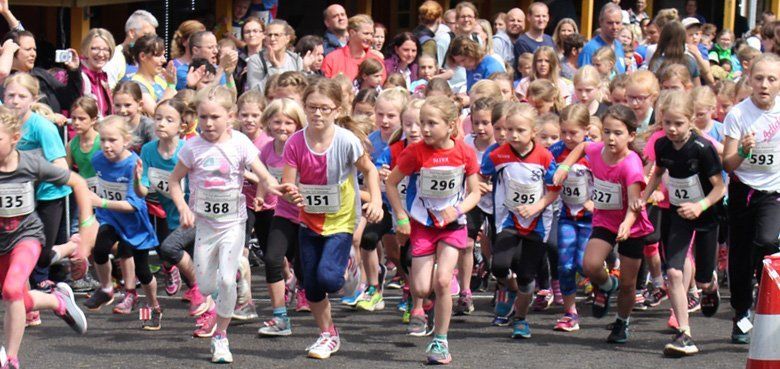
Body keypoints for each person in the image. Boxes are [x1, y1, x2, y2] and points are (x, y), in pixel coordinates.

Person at [168, 85, 288, 363]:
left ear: (230, 116)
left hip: (234, 224)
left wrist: (273, 186)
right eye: (203, 117)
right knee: (208, 286)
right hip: (205, 227)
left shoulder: (240, 144)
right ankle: (234, 275)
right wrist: (183, 207)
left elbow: (263, 174)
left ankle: (220, 336)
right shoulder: (192, 147)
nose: (208, 124)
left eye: (215, 117)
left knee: (224, 280)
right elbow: (175, 181)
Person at [282, 79, 382, 359]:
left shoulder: (346, 140)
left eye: (324, 108)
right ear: (305, 108)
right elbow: (289, 185)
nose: (317, 114)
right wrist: (293, 195)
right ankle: (327, 334)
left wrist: (375, 201)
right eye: (312, 107)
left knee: (327, 277)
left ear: (337, 110)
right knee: (311, 286)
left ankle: (349, 265)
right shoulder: (295, 142)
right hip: (309, 221)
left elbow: (370, 171)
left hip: (341, 220)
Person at [385, 96, 481, 364]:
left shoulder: (464, 152)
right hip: (423, 225)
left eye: (431, 123)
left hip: (452, 225)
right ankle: (427, 305)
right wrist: (401, 216)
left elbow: (474, 193)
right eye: (421, 123)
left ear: (451, 125)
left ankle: (441, 341)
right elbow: (392, 184)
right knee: (421, 287)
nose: (425, 129)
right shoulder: (415, 152)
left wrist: (459, 209)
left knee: (441, 282)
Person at [0, 105, 95, 369]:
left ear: (14, 138)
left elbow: (78, 182)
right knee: (15, 298)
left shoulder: (29, 163)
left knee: (11, 291)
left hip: (26, 236)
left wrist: (86, 226)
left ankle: (11, 359)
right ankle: (57, 300)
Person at [554, 104, 654, 344]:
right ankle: (608, 285)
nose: (610, 138)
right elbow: (582, 146)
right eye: (607, 131)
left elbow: (634, 202)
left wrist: (628, 223)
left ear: (631, 136)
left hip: (632, 227)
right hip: (605, 220)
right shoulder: (597, 150)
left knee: (629, 285)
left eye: (618, 133)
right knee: (590, 265)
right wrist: (565, 167)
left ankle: (622, 321)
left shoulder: (630, 165)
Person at [637, 90, 725, 356]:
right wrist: (646, 194)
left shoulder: (703, 148)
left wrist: (700, 205)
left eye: (678, 124)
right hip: (678, 214)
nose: (672, 129)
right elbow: (658, 172)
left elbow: (720, 187)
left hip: (706, 213)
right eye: (667, 123)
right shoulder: (662, 145)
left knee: (702, 276)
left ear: (690, 121)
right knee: (673, 272)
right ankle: (684, 332)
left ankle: (710, 286)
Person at [81, 115, 161, 330]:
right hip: (111, 220)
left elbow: (134, 205)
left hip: (134, 223)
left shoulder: (133, 164)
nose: (106, 145)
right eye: (103, 140)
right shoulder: (97, 159)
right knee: (99, 250)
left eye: (112, 140)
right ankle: (106, 288)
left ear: (126, 140)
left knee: (143, 273)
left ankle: (154, 306)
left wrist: (101, 201)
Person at [721, 54, 780, 344]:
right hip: (743, 189)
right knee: (740, 254)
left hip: (774, 191)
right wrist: (743, 151)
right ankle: (740, 311)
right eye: (759, 78)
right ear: (750, 80)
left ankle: (762, 287)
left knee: (769, 241)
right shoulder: (738, 114)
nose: (765, 85)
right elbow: (728, 163)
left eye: (772, 79)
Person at [255, 98, 307, 336]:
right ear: (268, 122)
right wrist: (259, 196)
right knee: (273, 258)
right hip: (283, 212)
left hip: (308, 215)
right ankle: (280, 317)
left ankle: (304, 290)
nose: (282, 127)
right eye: (277, 122)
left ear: (298, 124)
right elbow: (265, 177)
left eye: (289, 122)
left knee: (304, 263)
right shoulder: (266, 149)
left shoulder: (303, 147)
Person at [549, 103, 592, 332]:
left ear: (587, 130)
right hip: (566, 215)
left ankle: (605, 282)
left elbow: (610, 180)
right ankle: (570, 312)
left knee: (584, 265)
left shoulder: (595, 152)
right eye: (563, 132)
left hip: (592, 219)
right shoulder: (555, 151)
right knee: (565, 265)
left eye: (573, 133)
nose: (567, 137)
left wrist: (596, 203)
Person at [322, 15, 386, 83]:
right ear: (352, 33)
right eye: (366, 33)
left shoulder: (376, 60)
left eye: (371, 34)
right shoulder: (332, 59)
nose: (369, 38)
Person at [246, 20, 303, 93]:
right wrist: (274, 69)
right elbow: (255, 93)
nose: (272, 39)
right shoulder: (256, 60)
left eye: (276, 35)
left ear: (287, 38)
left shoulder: (295, 59)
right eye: (269, 35)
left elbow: (301, 90)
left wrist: (307, 70)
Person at [78, 28, 116, 118]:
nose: (101, 54)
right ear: (86, 48)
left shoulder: (103, 76)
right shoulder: (79, 77)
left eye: (106, 49)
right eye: (95, 48)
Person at [579, 3, 626, 74]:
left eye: (618, 23)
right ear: (601, 22)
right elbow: (584, 79)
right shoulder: (590, 49)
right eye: (610, 23)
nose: (614, 27)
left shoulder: (619, 46)